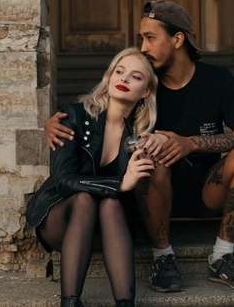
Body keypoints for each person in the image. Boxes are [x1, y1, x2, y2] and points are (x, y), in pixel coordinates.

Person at [46, 1, 234, 293]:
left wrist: (191, 143)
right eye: (141, 39)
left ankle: (223, 255)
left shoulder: (217, 79)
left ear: (177, 39)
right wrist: (59, 122)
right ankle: (163, 257)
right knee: (151, 156)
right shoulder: (142, 81)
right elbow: (99, 109)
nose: (143, 47)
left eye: (150, 38)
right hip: (151, 189)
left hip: (209, 189)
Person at [26, 48, 164, 307]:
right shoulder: (73, 116)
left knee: (111, 203)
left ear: (146, 91)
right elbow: (63, 179)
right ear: (109, 77)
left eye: (135, 76)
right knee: (84, 200)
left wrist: (161, 141)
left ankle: (125, 303)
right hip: (62, 220)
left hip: (110, 229)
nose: (124, 79)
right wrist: (120, 183)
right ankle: (70, 302)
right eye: (119, 71)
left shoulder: (142, 134)